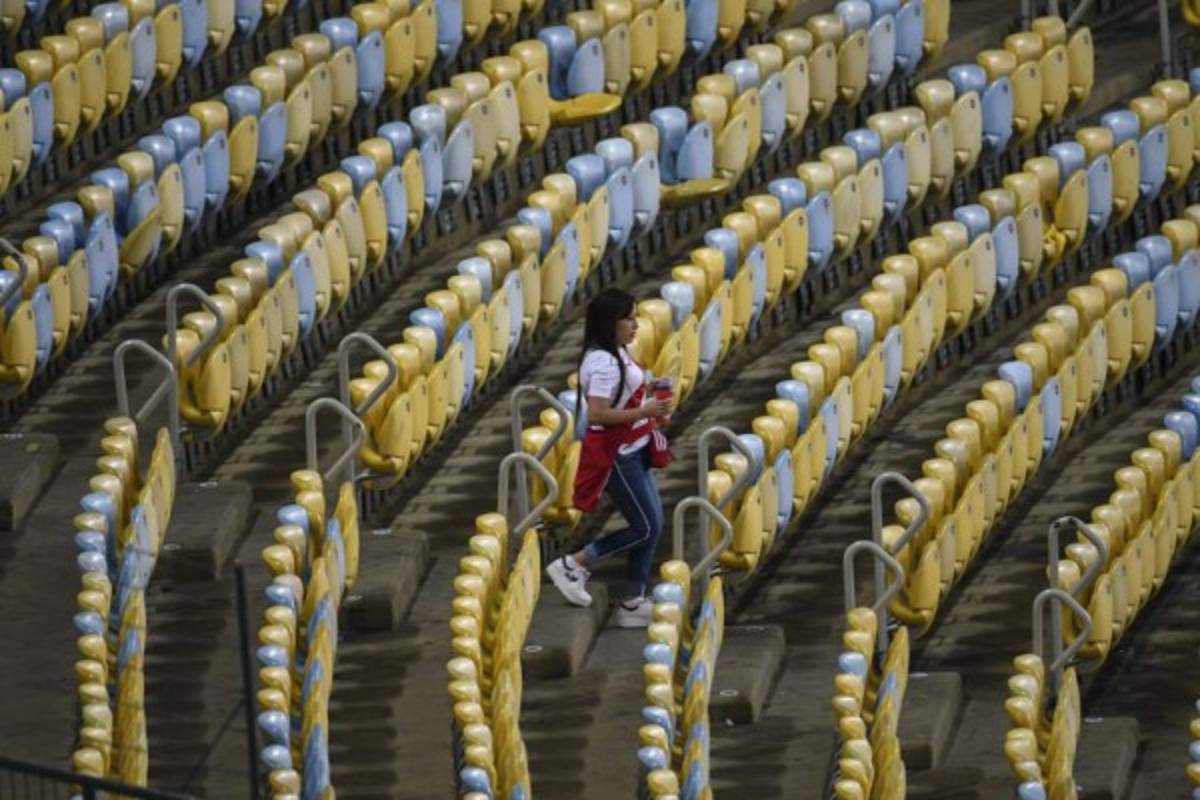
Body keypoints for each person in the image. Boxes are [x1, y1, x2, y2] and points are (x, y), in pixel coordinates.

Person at [544, 288, 671, 628]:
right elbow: (598, 414)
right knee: (645, 527)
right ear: (609, 323)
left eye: (635, 317)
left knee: (652, 525)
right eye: (628, 319)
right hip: (620, 457)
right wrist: (645, 410)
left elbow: (621, 394)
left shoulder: (615, 351)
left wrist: (649, 394)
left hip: (635, 448)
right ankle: (574, 563)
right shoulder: (604, 362)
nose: (636, 325)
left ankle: (633, 601)